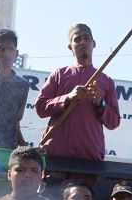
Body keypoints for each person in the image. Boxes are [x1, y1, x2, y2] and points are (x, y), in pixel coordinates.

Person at [35, 24, 120, 160]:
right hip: (55, 157)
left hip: (89, 159)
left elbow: (114, 122)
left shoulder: (106, 81)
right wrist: (67, 98)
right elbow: (40, 107)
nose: (82, 42)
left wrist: (100, 103)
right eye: (77, 39)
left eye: (87, 38)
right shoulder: (59, 74)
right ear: (70, 47)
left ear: (94, 44)